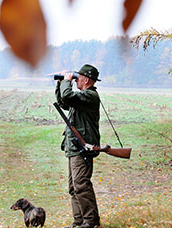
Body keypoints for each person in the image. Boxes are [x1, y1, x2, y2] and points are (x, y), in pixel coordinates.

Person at [55, 64, 101, 228]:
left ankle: (90, 222)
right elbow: (63, 101)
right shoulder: (81, 98)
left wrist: (67, 81)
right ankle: (79, 221)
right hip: (74, 148)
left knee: (81, 184)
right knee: (74, 187)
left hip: (83, 148)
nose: (76, 80)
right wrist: (60, 83)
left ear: (86, 80)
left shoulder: (90, 96)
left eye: (78, 77)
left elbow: (68, 97)